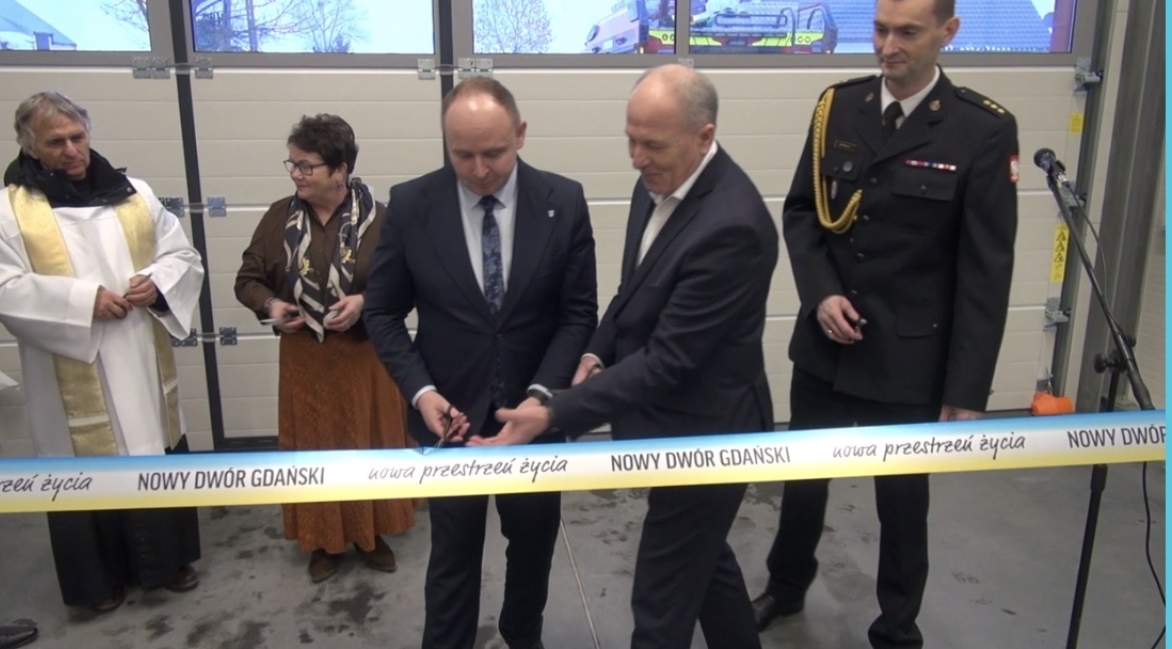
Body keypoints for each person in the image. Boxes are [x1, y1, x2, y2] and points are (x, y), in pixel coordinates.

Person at [476, 64, 778, 649]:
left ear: (705, 136)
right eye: (631, 140)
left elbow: (669, 361)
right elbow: (633, 291)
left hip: (708, 436)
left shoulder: (733, 227)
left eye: (653, 145)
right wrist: (596, 349)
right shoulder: (659, 182)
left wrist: (555, 410)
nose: (637, 159)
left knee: (660, 606)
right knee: (705, 564)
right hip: (664, 424)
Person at [748, 0, 1019, 647]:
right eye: (879, 29)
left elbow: (986, 270)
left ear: (948, 32)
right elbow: (802, 212)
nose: (887, 45)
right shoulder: (838, 108)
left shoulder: (980, 129)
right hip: (827, 345)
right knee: (803, 479)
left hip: (909, 358)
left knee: (901, 500)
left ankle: (897, 625)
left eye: (907, 32)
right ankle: (786, 585)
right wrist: (820, 294)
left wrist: (966, 389)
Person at [361, 77, 598, 649]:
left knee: (534, 547)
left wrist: (542, 397)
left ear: (520, 133)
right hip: (451, 421)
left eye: (493, 152)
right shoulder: (412, 205)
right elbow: (383, 312)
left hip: (534, 422)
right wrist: (421, 392)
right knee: (453, 555)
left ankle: (523, 635)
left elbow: (577, 314)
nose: (479, 169)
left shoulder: (563, 201)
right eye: (462, 154)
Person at [0, 91, 205, 612]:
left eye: (77, 137)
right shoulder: (1, 212)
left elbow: (182, 255)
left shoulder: (134, 195)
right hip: (69, 365)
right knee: (83, 466)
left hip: (139, 356)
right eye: (55, 142)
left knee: (151, 450)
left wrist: (157, 281)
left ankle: (166, 562)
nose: (71, 151)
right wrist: (83, 302)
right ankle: (98, 582)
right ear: (30, 147)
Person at [234, 113, 416, 583]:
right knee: (315, 449)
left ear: (340, 170)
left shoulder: (382, 219)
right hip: (305, 359)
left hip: (365, 356)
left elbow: (409, 284)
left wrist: (365, 302)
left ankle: (371, 533)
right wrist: (273, 305)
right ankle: (324, 541)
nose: (295, 174)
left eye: (305, 166)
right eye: (292, 164)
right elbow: (247, 279)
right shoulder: (279, 217)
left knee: (369, 443)